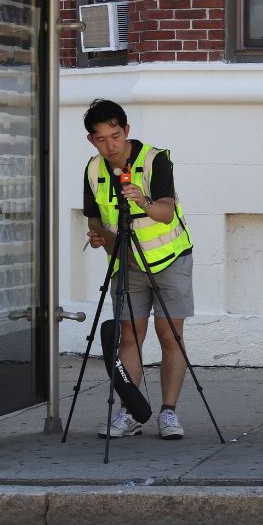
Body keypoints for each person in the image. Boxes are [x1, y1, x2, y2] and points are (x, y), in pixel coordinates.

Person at [82, 98, 194, 440]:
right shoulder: (93, 169)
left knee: (170, 336)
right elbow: (95, 218)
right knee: (129, 337)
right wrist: (102, 239)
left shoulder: (154, 159)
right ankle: (130, 411)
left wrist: (141, 200)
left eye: (115, 136)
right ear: (91, 140)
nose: (110, 145)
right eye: (101, 139)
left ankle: (168, 412)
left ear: (126, 130)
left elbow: (165, 213)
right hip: (127, 265)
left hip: (170, 260)